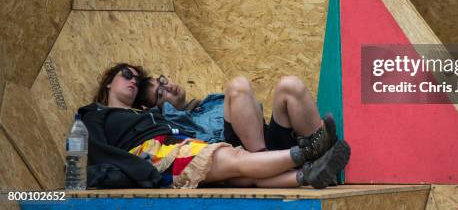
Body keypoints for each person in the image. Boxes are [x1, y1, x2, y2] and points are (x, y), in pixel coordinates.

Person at [79, 63, 350, 189]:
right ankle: (311, 160)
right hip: (189, 153)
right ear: (108, 83)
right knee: (239, 164)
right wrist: (141, 173)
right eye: (126, 75)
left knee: (290, 86)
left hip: (251, 145)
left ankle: (318, 163)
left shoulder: (205, 103)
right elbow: (98, 151)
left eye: (160, 80)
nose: (133, 81)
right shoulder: (100, 113)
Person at [136, 74, 333, 158]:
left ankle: (324, 156)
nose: (168, 86)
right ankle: (264, 164)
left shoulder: (211, 101)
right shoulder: (170, 121)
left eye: (162, 81)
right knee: (238, 85)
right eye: (160, 94)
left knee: (290, 85)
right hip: (240, 155)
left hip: (268, 140)